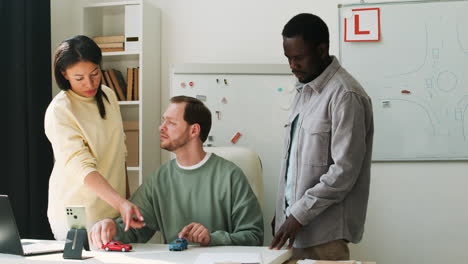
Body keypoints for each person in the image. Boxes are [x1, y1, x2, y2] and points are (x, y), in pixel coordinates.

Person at [89, 96, 264, 248]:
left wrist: (212, 238)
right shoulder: (160, 179)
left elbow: (254, 236)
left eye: (171, 123)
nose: (161, 127)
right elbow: (134, 229)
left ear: (194, 130)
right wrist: (111, 227)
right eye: (163, 121)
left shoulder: (230, 176)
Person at [269, 13, 374, 262]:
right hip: (293, 230)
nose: (292, 65)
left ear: (321, 49)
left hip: (324, 237)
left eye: (298, 58)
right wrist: (282, 210)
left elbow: (344, 172)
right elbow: (294, 164)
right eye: (288, 59)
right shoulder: (304, 90)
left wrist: (297, 215)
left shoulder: (346, 95)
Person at [45, 35, 143, 240]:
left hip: (111, 212)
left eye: (95, 73)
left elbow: (119, 152)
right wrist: (121, 203)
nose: (89, 83)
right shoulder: (60, 110)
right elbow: (82, 167)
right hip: (76, 212)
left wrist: (124, 199)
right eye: (79, 78)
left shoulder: (108, 95)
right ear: (64, 74)